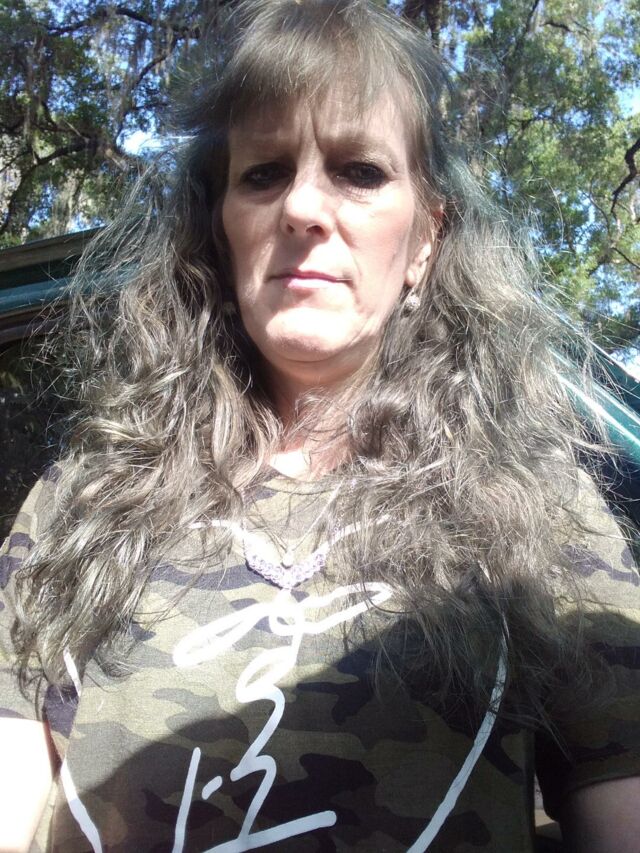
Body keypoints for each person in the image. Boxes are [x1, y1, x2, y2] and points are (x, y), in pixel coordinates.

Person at [1, 0, 639, 850]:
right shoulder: (82, 502)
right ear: (219, 229)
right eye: (263, 173)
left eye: (359, 171)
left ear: (426, 240)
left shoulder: (540, 513)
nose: (302, 205)